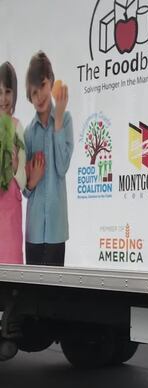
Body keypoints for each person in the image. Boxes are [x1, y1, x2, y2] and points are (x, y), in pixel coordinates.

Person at [23, 51, 72, 266]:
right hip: (33, 231)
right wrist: (31, 182)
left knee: (54, 296)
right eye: (33, 93)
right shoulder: (28, 133)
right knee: (32, 296)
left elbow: (62, 168)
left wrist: (58, 120)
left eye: (42, 86)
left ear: (51, 82)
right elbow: (24, 188)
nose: (39, 96)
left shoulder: (66, 119)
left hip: (55, 229)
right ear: (29, 97)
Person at [0, 62, 25, 264]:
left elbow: (23, 179)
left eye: (7, 92)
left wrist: (16, 165)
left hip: (9, 211)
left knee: (10, 264)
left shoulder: (17, 126)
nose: (3, 98)